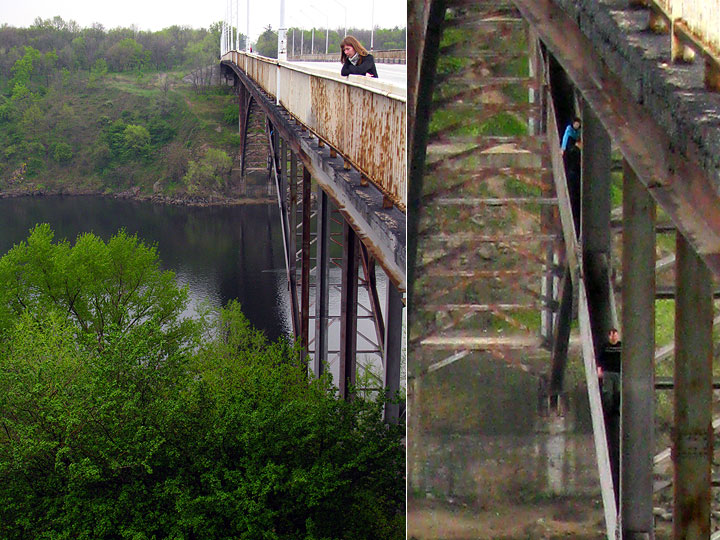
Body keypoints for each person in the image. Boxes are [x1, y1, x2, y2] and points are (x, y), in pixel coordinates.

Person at [598, 327, 621, 416]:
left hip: (618, 372)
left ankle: (616, 410)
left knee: (618, 392)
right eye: (612, 335)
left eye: (615, 335)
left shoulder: (621, 346)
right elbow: (600, 359)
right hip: (607, 372)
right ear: (609, 336)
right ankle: (607, 411)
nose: (614, 337)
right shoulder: (605, 347)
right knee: (607, 392)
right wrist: (599, 370)